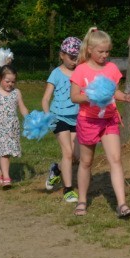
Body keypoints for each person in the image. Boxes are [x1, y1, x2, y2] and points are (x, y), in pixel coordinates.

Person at [69, 27, 130, 218]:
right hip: (88, 120)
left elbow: (113, 92)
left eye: (107, 51)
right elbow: (74, 96)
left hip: (109, 120)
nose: (105, 55)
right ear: (90, 49)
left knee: (115, 160)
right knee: (86, 161)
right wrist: (92, 96)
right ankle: (82, 200)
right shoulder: (81, 69)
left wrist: (125, 97)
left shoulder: (111, 69)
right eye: (101, 52)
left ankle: (122, 204)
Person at [41, 37, 82, 202]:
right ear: (62, 55)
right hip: (58, 116)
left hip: (77, 117)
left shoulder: (81, 72)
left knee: (75, 156)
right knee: (67, 152)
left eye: (77, 57)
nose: (75, 61)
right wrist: (47, 116)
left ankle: (56, 170)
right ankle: (68, 190)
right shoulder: (56, 73)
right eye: (72, 57)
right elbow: (45, 99)